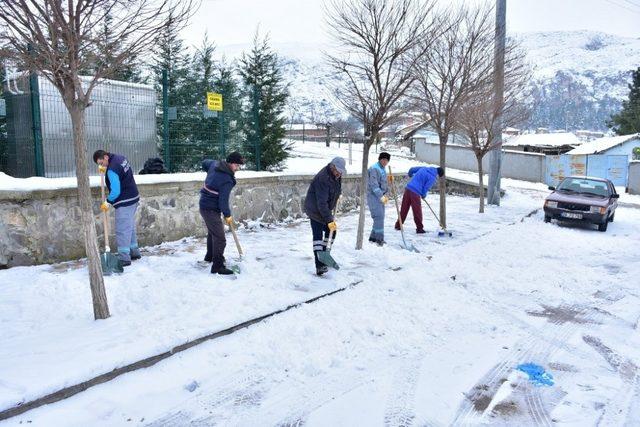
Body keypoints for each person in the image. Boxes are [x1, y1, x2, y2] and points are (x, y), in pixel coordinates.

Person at [200, 151, 244, 275]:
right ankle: (217, 266)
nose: (237, 168)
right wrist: (227, 215)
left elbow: (204, 163)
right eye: (236, 165)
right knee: (220, 238)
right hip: (210, 208)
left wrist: (210, 175)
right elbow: (223, 201)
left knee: (213, 232)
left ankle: (210, 257)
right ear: (230, 163)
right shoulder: (227, 180)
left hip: (204, 205)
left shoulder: (215, 164)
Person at [93, 150, 141, 266]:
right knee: (129, 226)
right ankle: (134, 251)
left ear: (105, 157)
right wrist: (105, 170)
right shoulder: (120, 157)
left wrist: (108, 202)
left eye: (102, 163)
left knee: (122, 229)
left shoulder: (111, 170)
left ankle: (124, 257)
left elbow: (115, 191)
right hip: (133, 196)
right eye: (99, 165)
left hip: (124, 200)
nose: (101, 166)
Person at [304, 157, 344, 276]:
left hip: (324, 209)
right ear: (333, 167)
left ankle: (325, 255)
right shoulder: (323, 178)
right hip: (315, 210)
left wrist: (338, 195)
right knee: (318, 238)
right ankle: (319, 266)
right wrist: (329, 219)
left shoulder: (336, 175)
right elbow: (321, 203)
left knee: (332, 232)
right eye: (338, 170)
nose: (340, 173)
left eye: (341, 171)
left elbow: (336, 188)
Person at [395, 166, 444, 234]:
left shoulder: (424, 168)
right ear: (438, 174)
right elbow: (425, 188)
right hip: (415, 192)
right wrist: (423, 195)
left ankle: (398, 225)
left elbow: (411, 169)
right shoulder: (432, 177)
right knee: (417, 211)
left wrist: (410, 174)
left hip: (408, 188)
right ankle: (419, 229)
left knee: (404, 208)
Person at [367, 152, 391, 245]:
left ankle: (373, 237)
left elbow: (383, 183)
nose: (385, 162)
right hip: (374, 197)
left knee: (380, 217)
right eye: (383, 159)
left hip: (380, 197)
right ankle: (379, 239)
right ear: (380, 159)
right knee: (379, 217)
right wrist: (381, 196)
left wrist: (389, 180)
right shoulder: (374, 169)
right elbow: (374, 185)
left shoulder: (382, 168)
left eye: (387, 160)